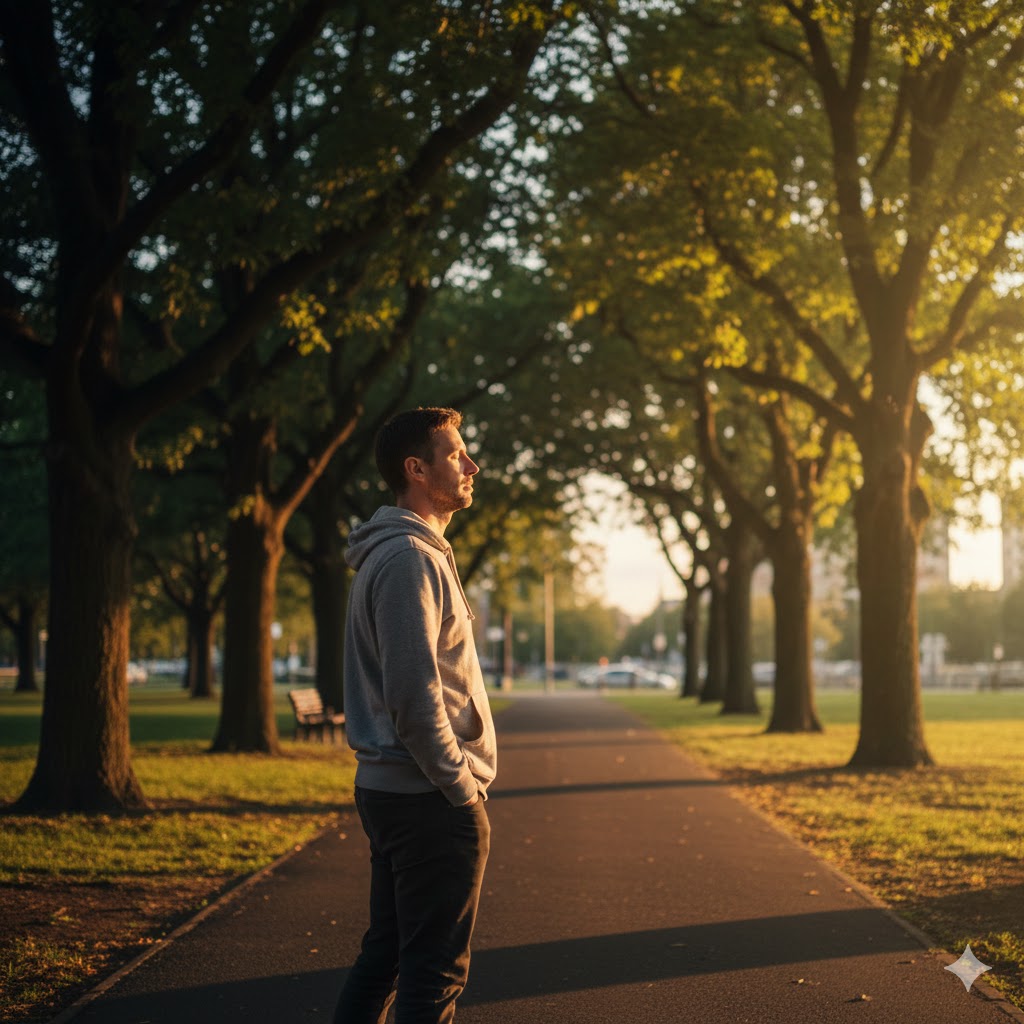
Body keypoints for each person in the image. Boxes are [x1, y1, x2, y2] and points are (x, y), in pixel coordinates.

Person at [334, 407, 497, 1024]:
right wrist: (459, 787)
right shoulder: (409, 559)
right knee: (434, 973)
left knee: (387, 958)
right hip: (427, 796)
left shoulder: (409, 553)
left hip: (400, 791)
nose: (470, 464)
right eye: (456, 453)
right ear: (416, 469)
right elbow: (413, 692)